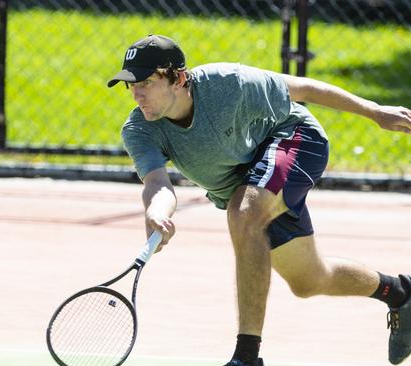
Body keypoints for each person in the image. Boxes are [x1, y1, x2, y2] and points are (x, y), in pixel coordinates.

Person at [107, 34, 411, 366]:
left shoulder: (227, 84)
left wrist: (375, 112)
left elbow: (303, 89)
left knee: (244, 211)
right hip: (246, 182)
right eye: (130, 85)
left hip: (294, 139)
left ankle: (246, 357)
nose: (137, 94)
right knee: (309, 280)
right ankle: (399, 294)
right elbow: (157, 182)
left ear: (177, 78)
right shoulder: (139, 129)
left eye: (147, 83)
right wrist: (156, 213)